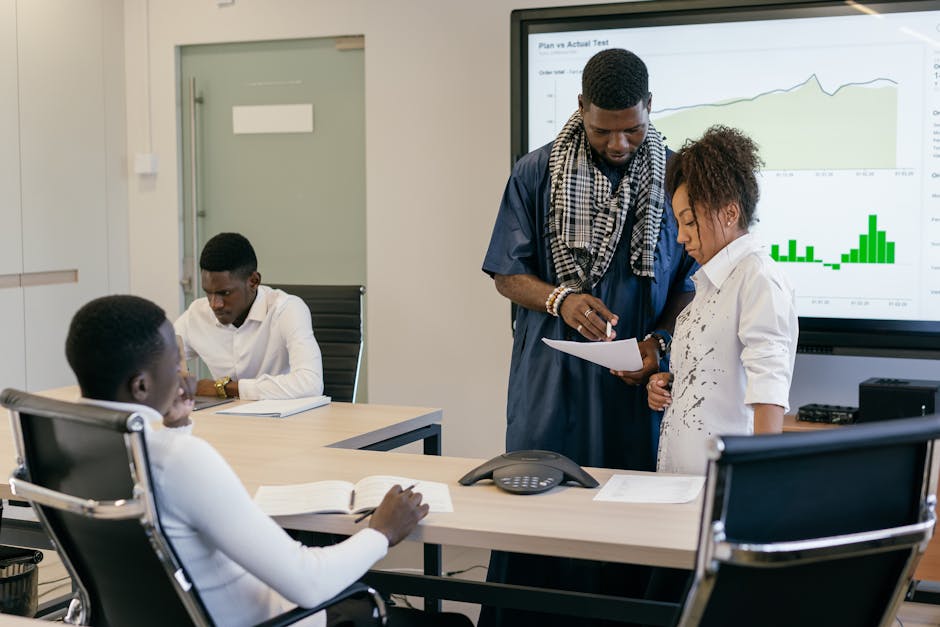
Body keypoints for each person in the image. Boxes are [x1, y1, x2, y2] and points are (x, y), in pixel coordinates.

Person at [65, 294, 472, 627]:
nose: (184, 375)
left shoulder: (70, 449)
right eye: (175, 364)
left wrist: (177, 425)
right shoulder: (179, 460)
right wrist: (382, 532)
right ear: (141, 386)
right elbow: (309, 583)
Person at [480, 48, 696, 627]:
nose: (619, 144)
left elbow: (691, 284)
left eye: (632, 129)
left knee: (636, 528)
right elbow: (506, 272)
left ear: (649, 109)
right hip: (552, 384)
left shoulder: (678, 177)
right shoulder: (535, 171)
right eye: (604, 131)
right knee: (539, 517)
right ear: (581, 108)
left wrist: (659, 345)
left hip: (637, 389)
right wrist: (560, 299)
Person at [647, 125, 799, 475]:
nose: (681, 237)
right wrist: (672, 384)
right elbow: (715, 374)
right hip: (684, 485)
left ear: (730, 213)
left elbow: (768, 387)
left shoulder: (758, 276)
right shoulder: (709, 284)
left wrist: (758, 485)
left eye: (688, 221)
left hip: (727, 487)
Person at [175, 232, 323, 401]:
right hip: (223, 420)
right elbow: (154, 359)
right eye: (208, 293)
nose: (214, 304)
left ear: (253, 281)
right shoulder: (197, 314)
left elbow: (311, 383)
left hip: (285, 422)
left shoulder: (287, 309)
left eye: (225, 293)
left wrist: (223, 388)